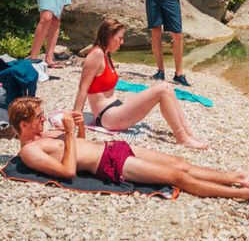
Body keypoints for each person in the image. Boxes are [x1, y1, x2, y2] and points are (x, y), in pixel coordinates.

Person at [9, 96, 249, 203]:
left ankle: (237, 177)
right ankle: (248, 194)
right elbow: (67, 171)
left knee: (180, 163)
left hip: (113, 148)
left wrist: (78, 128)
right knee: (177, 178)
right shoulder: (30, 152)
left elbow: (78, 145)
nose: (43, 119)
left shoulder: (45, 134)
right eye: (39, 117)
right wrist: (68, 133)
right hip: (108, 164)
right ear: (24, 124)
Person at [73, 19, 209, 150]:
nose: (122, 42)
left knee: (167, 87)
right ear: (109, 36)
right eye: (119, 38)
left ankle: (187, 132)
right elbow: (83, 88)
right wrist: (76, 118)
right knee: (162, 89)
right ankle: (182, 138)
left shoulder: (106, 54)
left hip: (115, 109)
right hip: (107, 117)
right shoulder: (96, 54)